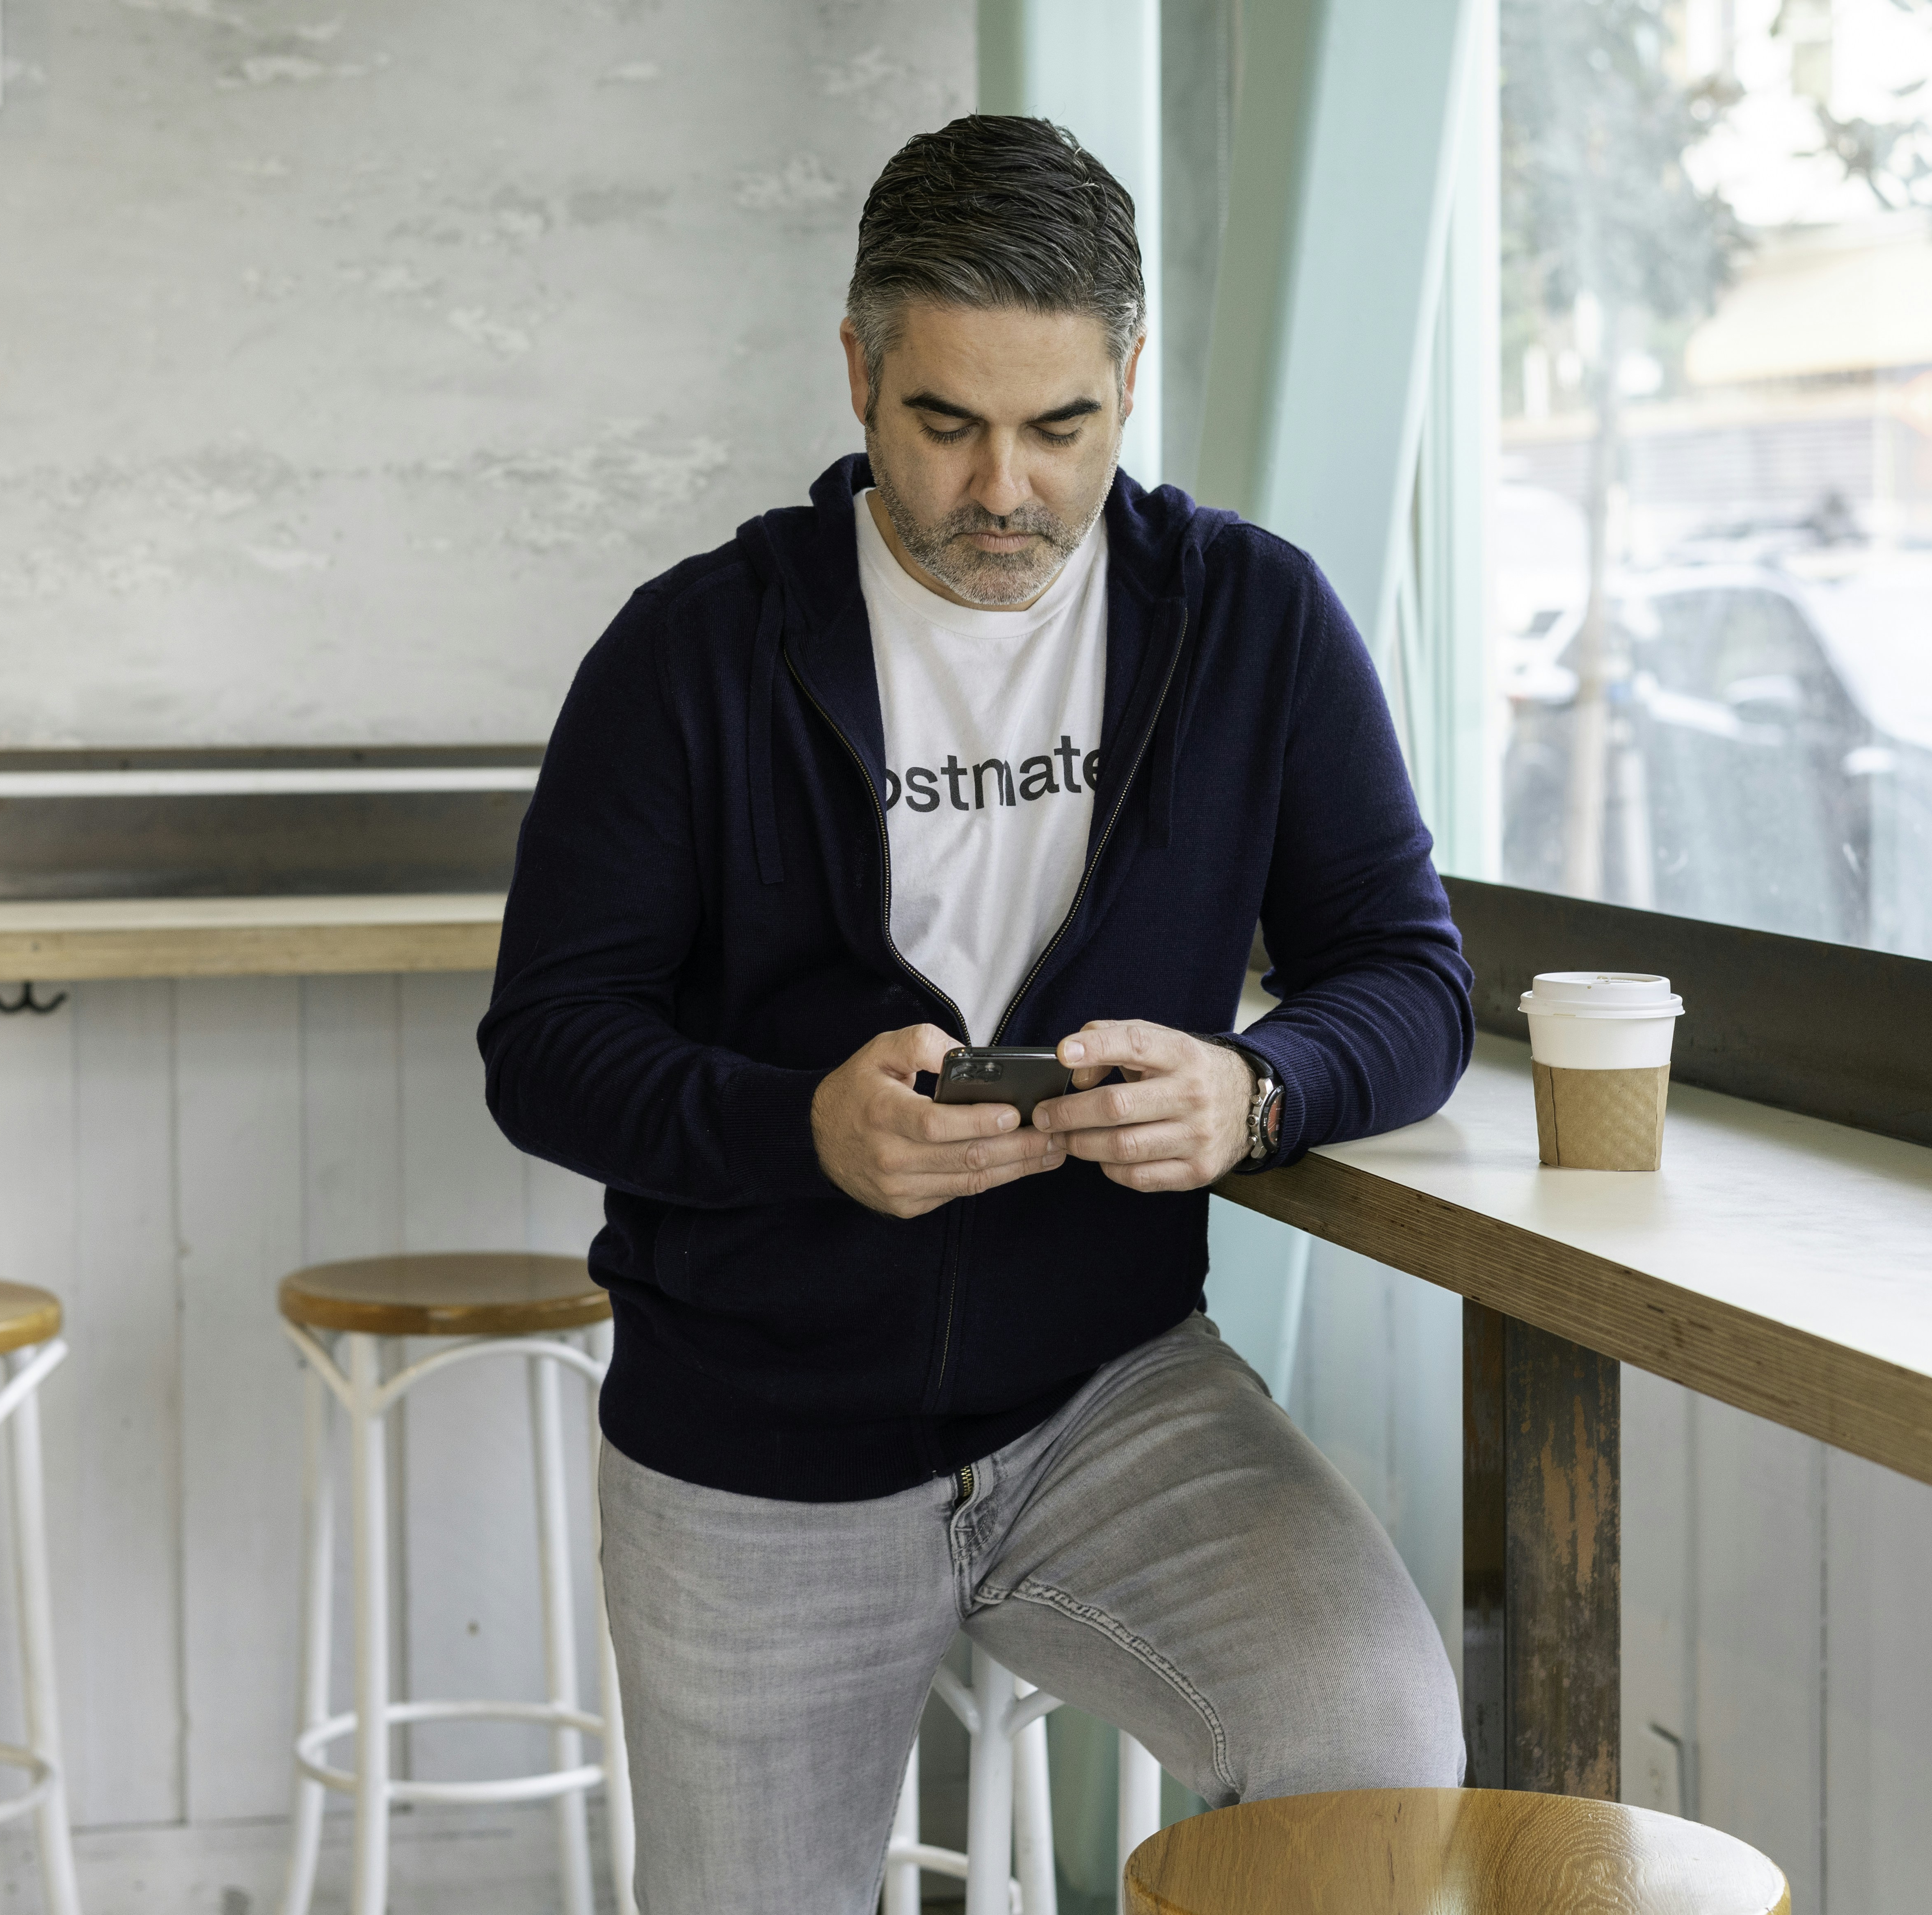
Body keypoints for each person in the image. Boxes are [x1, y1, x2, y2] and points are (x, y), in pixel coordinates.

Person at [480, 114, 1472, 1912]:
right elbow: (546, 1047)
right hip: (750, 1443)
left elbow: (1408, 980)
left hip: (1109, 1395)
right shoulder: (687, 653)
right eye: (944, 423)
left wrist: (1255, 1095)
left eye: (1058, 428)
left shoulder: (1249, 622)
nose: (1000, 487)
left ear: (1128, 382)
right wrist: (801, 1129)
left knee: (1372, 1746)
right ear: (858, 371)